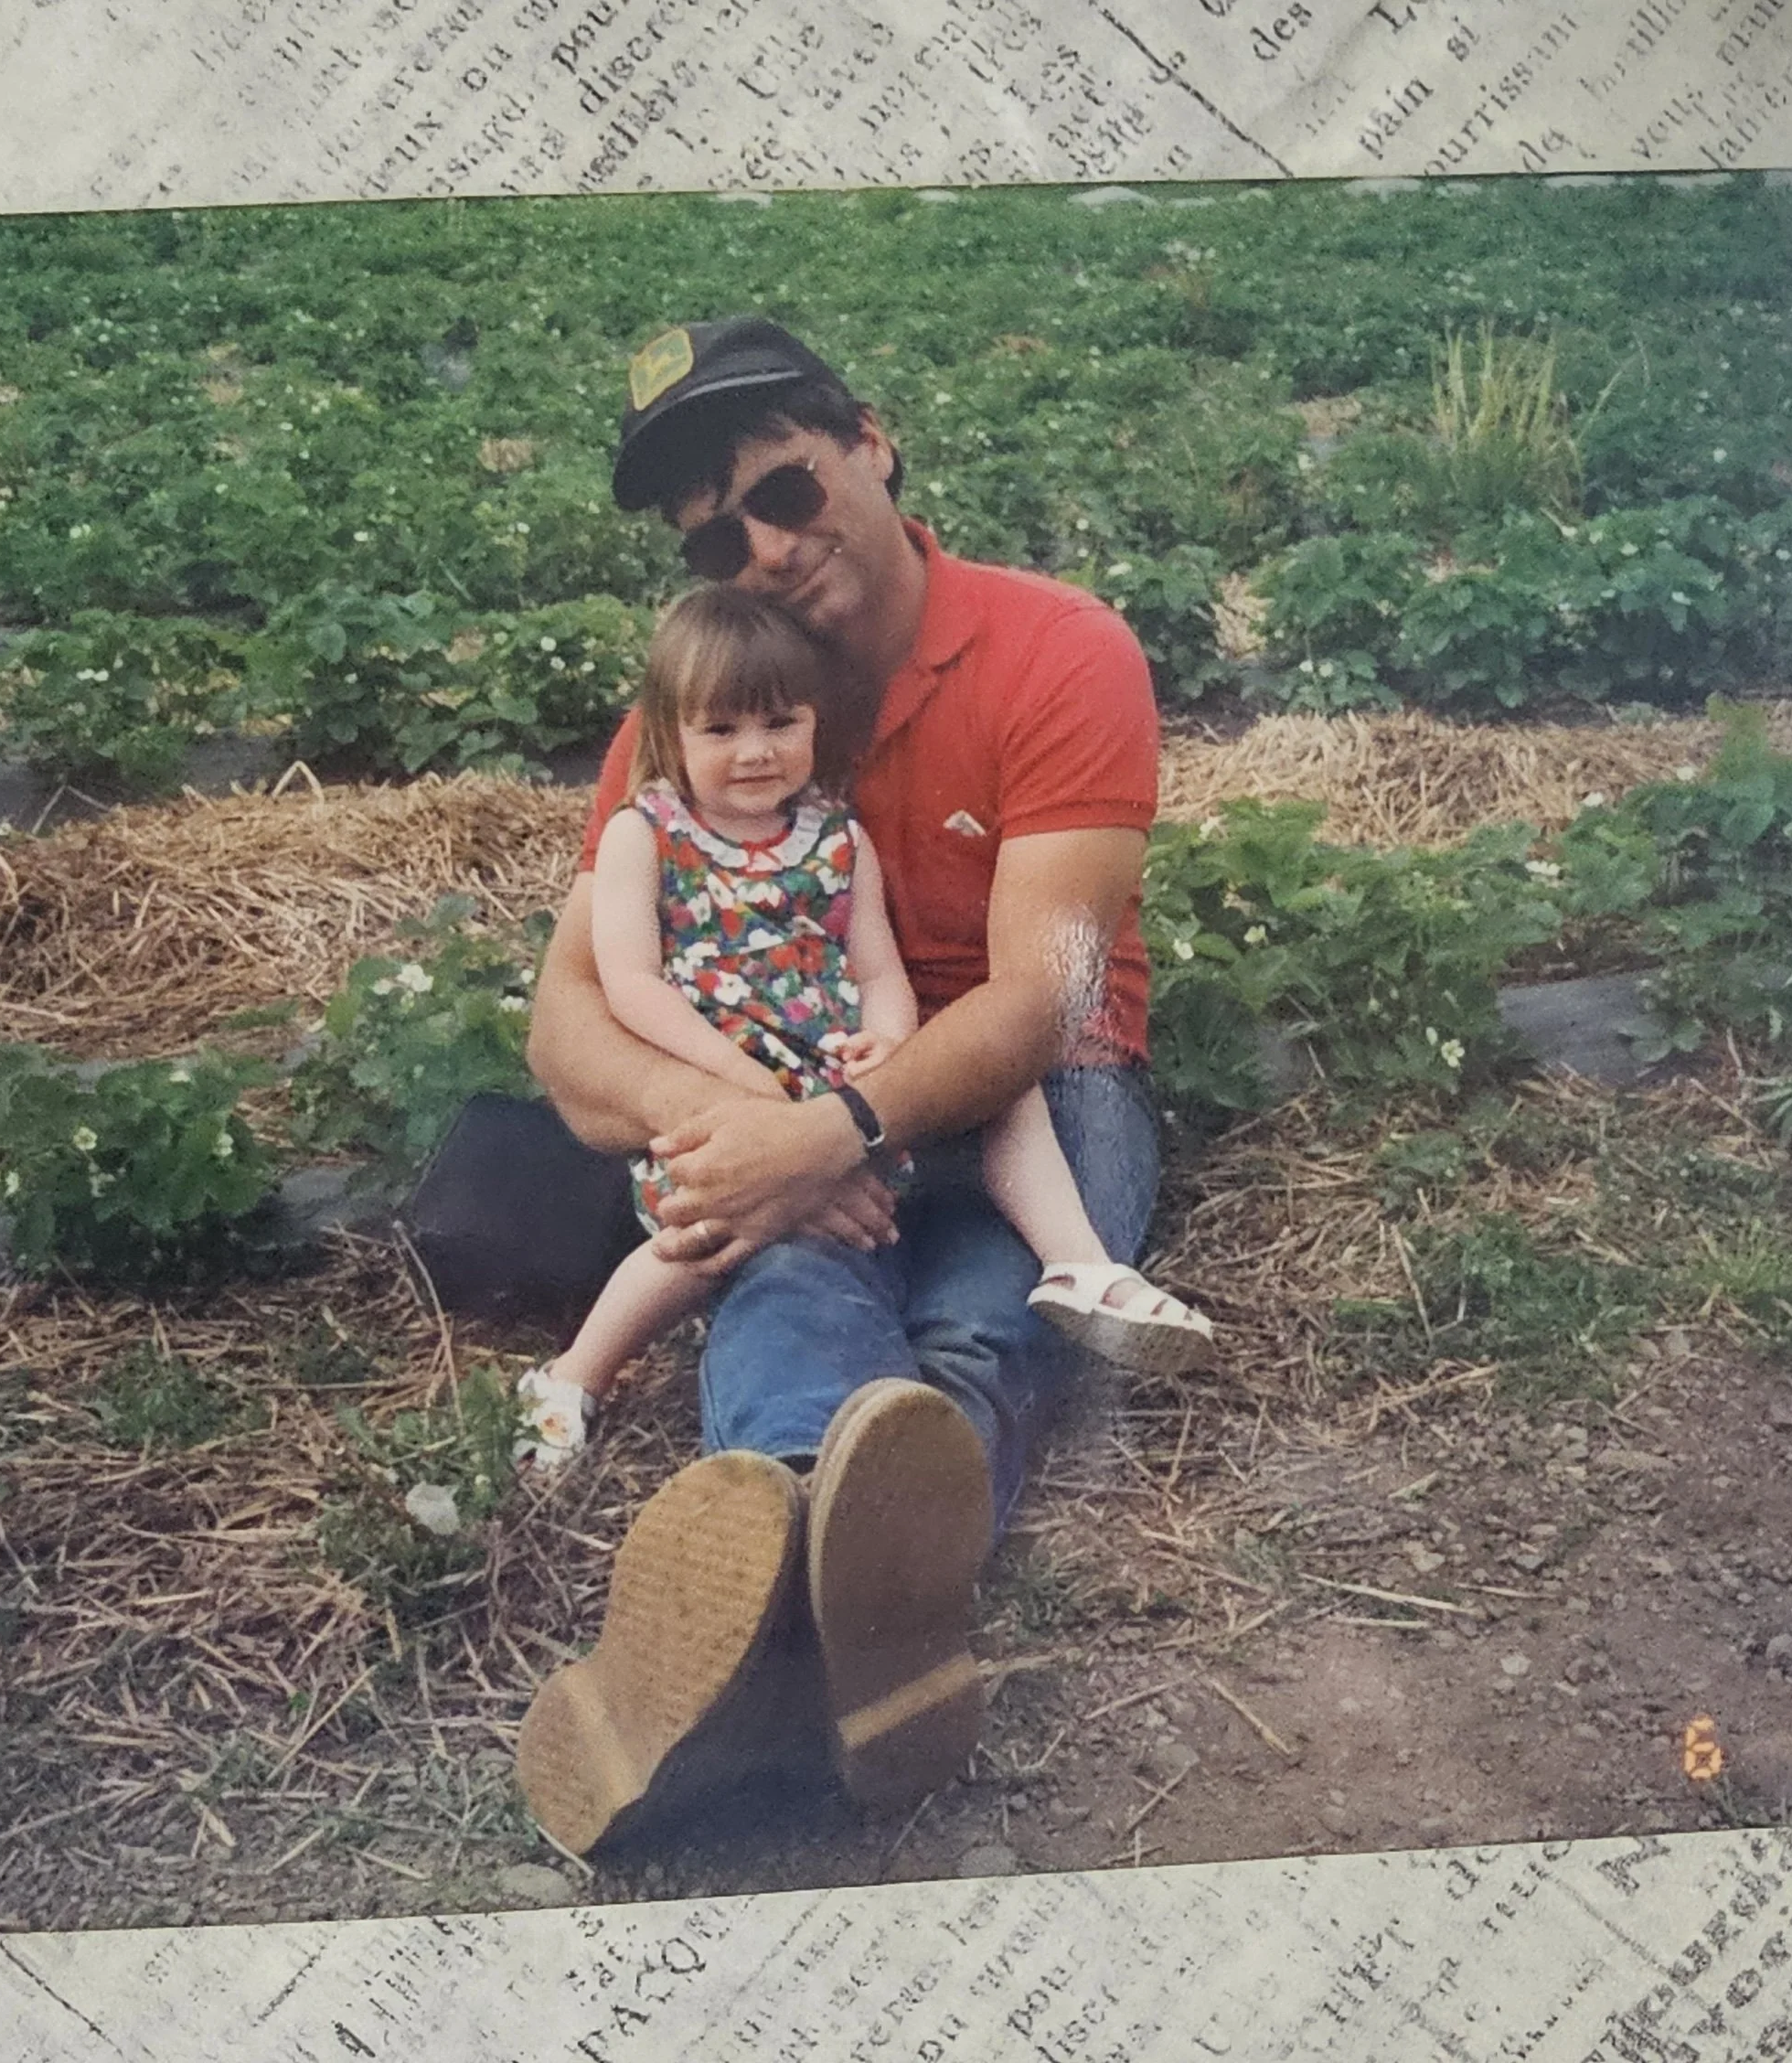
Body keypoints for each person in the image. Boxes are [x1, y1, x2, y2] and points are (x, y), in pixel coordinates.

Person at [515, 315, 1190, 1854]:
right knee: (788, 1283)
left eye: (786, 492)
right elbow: (568, 1030)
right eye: (712, 532)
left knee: (982, 1312)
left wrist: (829, 1126)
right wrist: (752, 1139)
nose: (757, 548)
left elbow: (1050, 995)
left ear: (871, 444)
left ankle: (756, 1644)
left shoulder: (1056, 649)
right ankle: (832, 1595)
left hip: (1031, 1096)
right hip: (802, 1098)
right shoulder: (697, 717)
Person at [512, 583, 1213, 1470]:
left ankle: (1063, 1280)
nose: (753, 751)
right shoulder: (651, 821)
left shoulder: (844, 828)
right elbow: (613, 990)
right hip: (749, 1079)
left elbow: (928, 979)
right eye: (721, 732)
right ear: (672, 734)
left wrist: (872, 1067)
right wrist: (764, 1118)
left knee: (983, 1313)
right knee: (765, 1263)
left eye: (778, 724)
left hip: (894, 1064)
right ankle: (747, 1463)